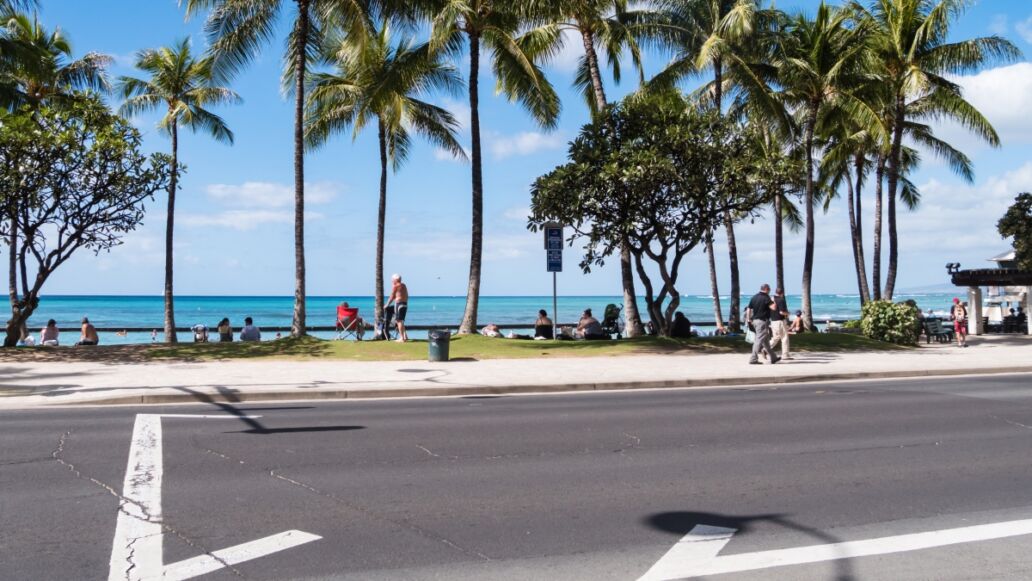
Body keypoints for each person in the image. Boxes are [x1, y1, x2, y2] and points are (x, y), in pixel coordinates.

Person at [745, 284, 779, 365]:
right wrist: (773, 300)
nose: (770, 290)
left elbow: (749, 309)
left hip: (755, 321)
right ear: (766, 289)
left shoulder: (754, 297)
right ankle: (753, 359)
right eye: (769, 289)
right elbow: (774, 308)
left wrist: (748, 319)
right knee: (758, 340)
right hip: (762, 321)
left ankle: (773, 357)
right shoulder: (766, 297)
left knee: (766, 341)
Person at [768, 288, 792, 359]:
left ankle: (766, 348)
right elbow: (781, 312)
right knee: (784, 337)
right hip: (780, 321)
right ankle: (785, 355)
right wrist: (788, 313)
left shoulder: (771, 299)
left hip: (773, 321)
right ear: (782, 293)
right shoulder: (781, 300)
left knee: (775, 337)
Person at [386, 273, 409, 342]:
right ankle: (405, 336)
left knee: (399, 321)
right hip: (404, 304)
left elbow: (391, 297)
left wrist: (387, 305)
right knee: (401, 321)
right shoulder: (404, 285)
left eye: (392, 280)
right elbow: (405, 294)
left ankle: (402, 338)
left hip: (399, 304)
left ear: (395, 280)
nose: (392, 281)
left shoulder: (395, 286)